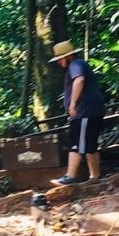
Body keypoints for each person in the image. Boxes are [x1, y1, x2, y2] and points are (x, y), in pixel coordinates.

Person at [49, 40, 106, 185]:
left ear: (67, 57)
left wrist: (73, 104)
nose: (59, 62)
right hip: (93, 110)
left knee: (76, 143)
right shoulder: (80, 64)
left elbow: (79, 80)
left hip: (84, 111)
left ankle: (70, 176)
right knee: (90, 145)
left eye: (60, 59)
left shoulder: (75, 65)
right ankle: (95, 177)